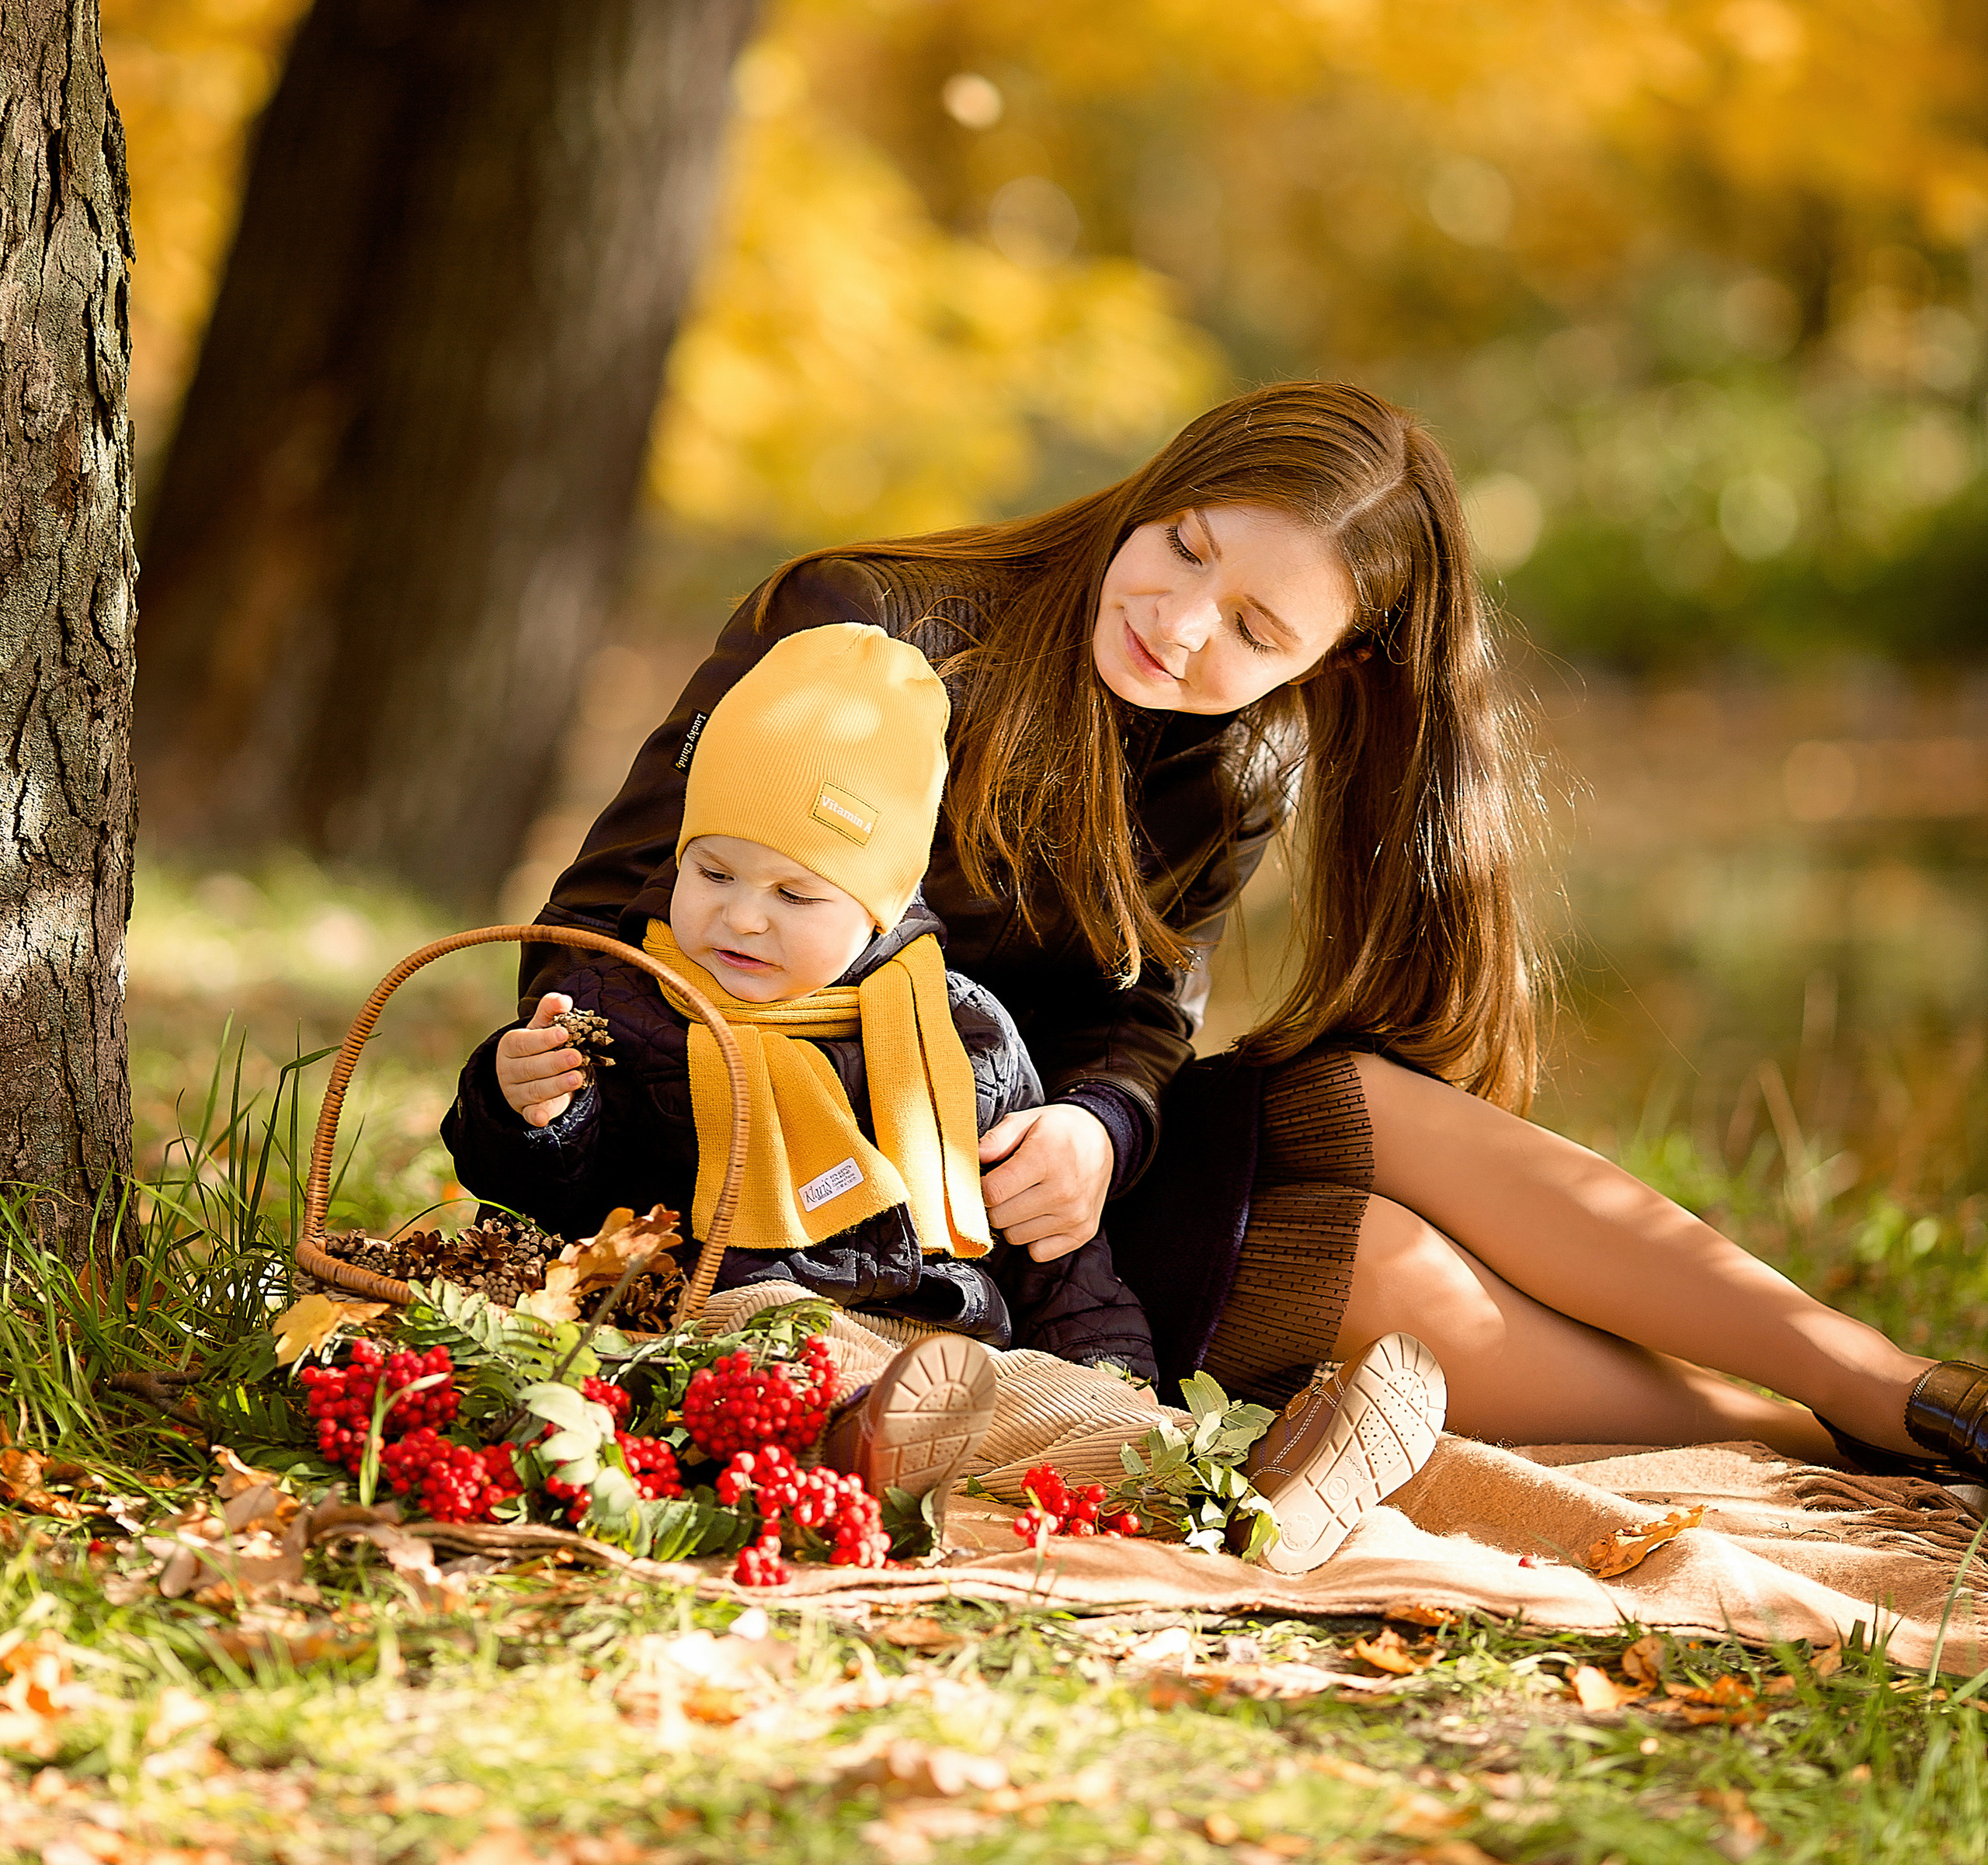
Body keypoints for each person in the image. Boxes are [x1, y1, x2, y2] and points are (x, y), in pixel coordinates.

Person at [489, 379, 1988, 1498]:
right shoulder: (870, 624)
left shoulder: (1237, 762)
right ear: (1154, 492)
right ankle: (1807, 1440)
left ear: (1336, 665)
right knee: (1381, 1263)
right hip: (809, 1192)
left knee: (1361, 1101)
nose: (1185, 624)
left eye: (1261, 632)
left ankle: (1888, 1388)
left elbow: (1145, 1020)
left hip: (1038, 1196)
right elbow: (593, 925)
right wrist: (576, 1080)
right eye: (1187, 548)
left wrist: (1096, 1128)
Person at [443, 620, 1156, 1384]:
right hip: (719, 1332)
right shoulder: (620, 1003)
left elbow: (1051, 1253)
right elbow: (537, 1207)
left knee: (1049, 1396)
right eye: (714, 874)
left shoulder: (961, 1034)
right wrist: (526, 1112)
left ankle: (1090, 1424)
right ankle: (893, 1421)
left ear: (880, 909)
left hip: (938, 1333)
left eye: (795, 894)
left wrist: (1110, 1367)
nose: (744, 917)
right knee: (784, 1331)